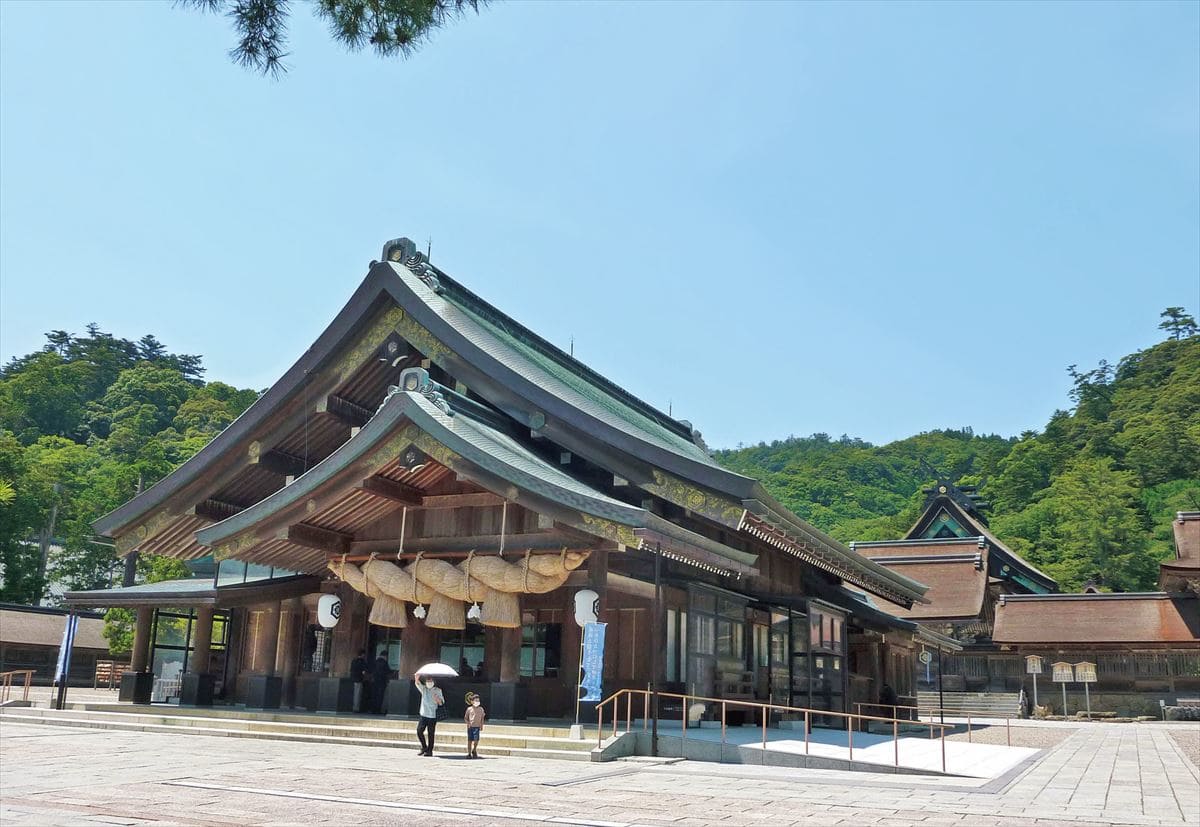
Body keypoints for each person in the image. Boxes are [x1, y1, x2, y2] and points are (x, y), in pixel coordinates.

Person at [414, 672, 445, 756]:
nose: (429, 682)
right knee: (419, 731)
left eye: (430, 681)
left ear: (433, 682)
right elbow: (417, 683)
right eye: (428, 681)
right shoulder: (424, 689)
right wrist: (417, 677)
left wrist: (438, 700)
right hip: (424, 714)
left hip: (433, 715)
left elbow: (442, 702)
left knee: (431, 733)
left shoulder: (438, 690)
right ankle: (424, 747)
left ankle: (430, 750)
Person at [464, 692, 486, 759]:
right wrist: (468, 723)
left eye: (478, 700)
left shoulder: (481, 709)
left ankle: (474, 749)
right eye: (476, 700)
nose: (477, 702)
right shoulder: (469, 709)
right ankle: (469, 753)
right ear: (472, 701)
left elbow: (482, 718)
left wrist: (481, 725)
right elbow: (466, 718)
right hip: (470, 727)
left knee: (476, 740)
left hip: (477, 727)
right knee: (469, 740)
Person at [370, 649, 391, 714]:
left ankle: (373, 709)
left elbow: (371, 670)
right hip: (382, 681)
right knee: (380, 696)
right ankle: (378, 709)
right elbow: (388, 671)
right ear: (385, 656)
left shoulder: (375, 662)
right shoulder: (384, 662)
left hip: (374, 681)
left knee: (374, 695)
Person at [350, 649, 368, 714]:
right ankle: (356, 708)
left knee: (354, 694)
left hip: (352, 679)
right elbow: (364, 672)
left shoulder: (353, 661)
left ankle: (353, 707)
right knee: (357, 694)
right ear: (363, 654)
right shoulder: (362, 662)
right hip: (359, 679)